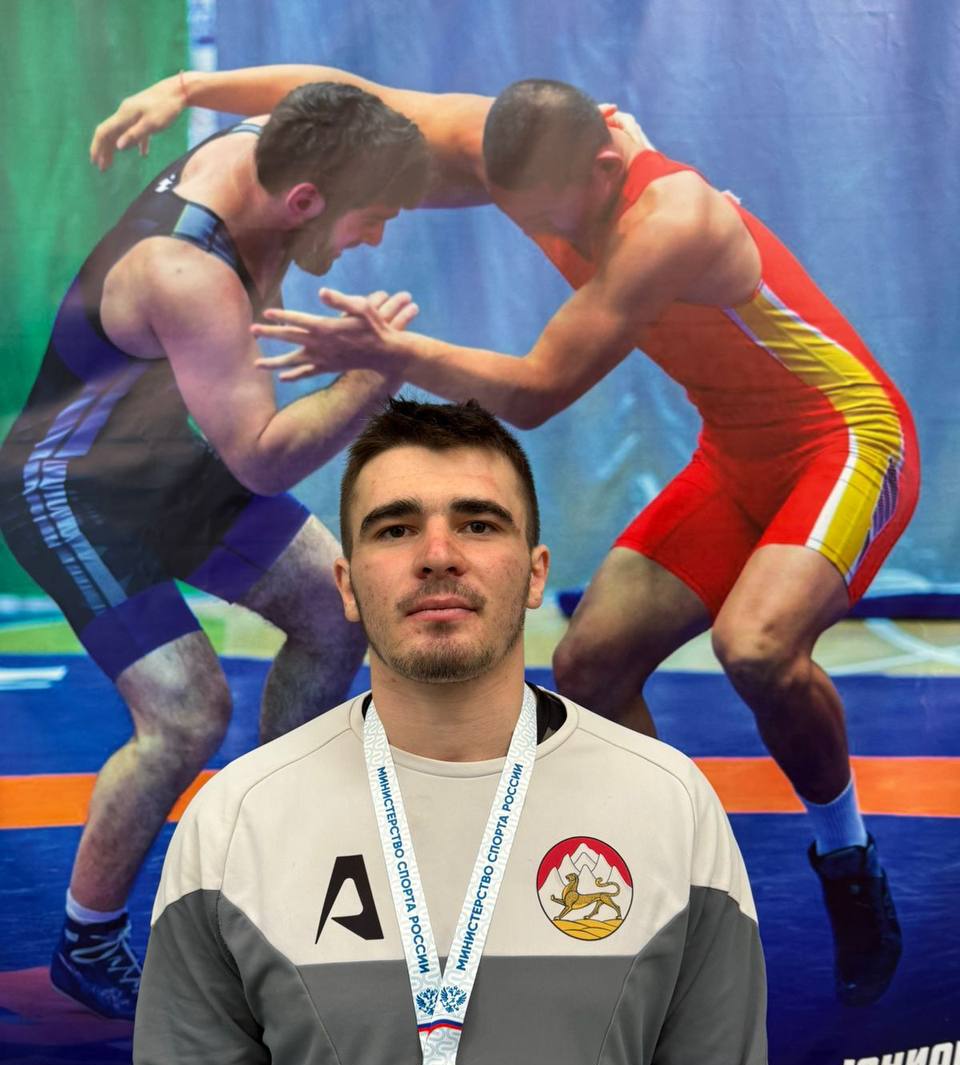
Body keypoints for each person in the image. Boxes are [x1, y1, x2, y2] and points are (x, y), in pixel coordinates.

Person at [91, 69, 919, 1008]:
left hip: (843, 436)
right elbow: (347, 95)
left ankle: (848, 859)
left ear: (604, 166)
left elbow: (536, 390)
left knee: (757, 646)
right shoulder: (522, 153)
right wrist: (192, 88)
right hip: (734, 454)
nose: (540, 230)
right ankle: (680, 896)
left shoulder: (671, 220)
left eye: (551, 213)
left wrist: (392, 353)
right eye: (518, 208)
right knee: (591, 666)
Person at [123, 396, 779, 1065]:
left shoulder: (667, 804)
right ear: (347, 584)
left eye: (478, 523)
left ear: (536, 573)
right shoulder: (239, 817)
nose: (438, 554)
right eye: (395, 529)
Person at [0, 81, 430, 1019]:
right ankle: (86, 943)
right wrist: (374, 373)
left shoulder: (274, 145)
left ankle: (275, 866)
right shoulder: (185, 274)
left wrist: (185, 88)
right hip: (70, 489)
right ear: (304, 199)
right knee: (187, 715)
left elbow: (359, 106)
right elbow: (263, 459)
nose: (372, 241)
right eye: (370, 219)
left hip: (166, 458)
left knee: (337, 607)